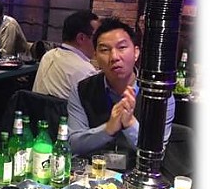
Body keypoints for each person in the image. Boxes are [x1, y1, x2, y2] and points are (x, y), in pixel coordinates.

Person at [67, 17, 174, 168]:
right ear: (95, 56)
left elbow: (158, 154)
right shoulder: (81, 90)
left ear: (136, 52)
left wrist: (130, 124)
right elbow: (72, 144)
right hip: (92, 173)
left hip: (137, 174)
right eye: (105, 50)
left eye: (122, 47)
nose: (114, 57)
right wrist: (108, 129)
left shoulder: (161, 96)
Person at [32, 10, 101, 99]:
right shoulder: (86, 72)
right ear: (81, 38)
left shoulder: (48, 55)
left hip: (34, 107)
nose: (100, 41)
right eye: (97, 36)